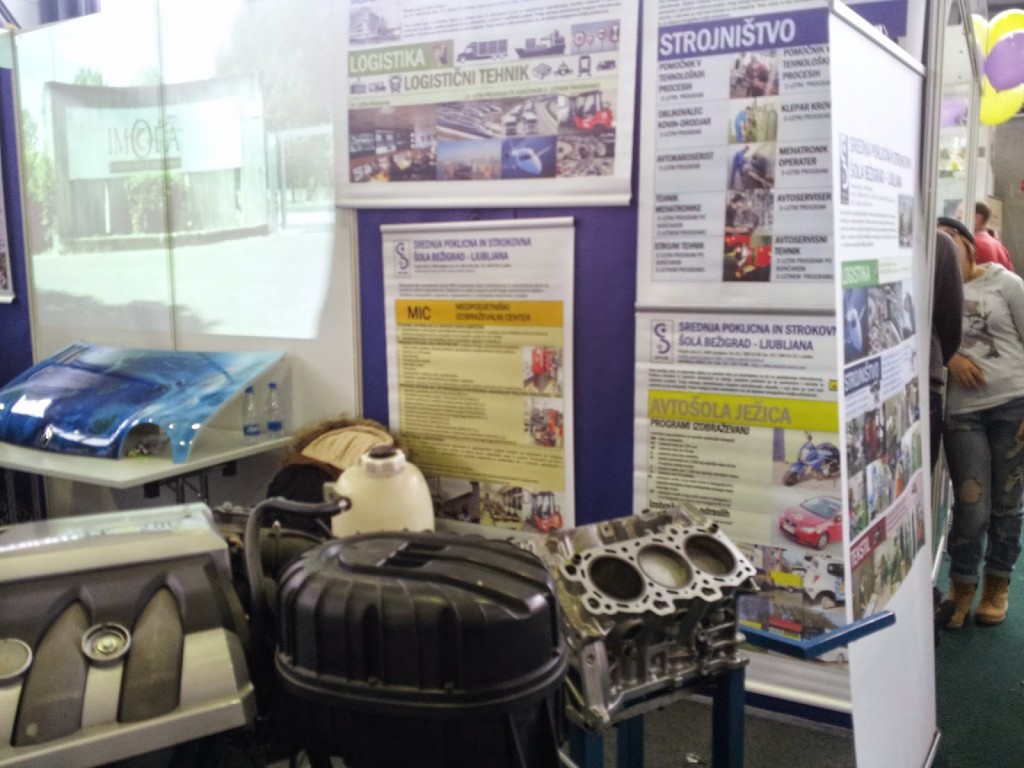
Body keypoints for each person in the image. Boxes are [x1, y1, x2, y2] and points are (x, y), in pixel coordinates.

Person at [937, 216, 1024, 628]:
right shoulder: (936, 292)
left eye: (948, 239)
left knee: (1007, 504)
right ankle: (962, 584)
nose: (944, 249)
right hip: (962, 413)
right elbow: (928, 341)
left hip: (1013, 404)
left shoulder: (1006, 284)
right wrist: (951, 358)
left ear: (967, 242)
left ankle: (997, 584)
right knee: (971, 507)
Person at [929, 229, 964, 470]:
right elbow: (951, 328)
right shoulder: (939, 244)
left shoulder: (939, 244)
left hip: (924, 385)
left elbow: (951, 327)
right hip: (925, 381)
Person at [974, 202, 1014, 272]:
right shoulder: (1000, 247)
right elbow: (1011, 274)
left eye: (960, 217)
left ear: (978, 218)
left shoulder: (972, 244)